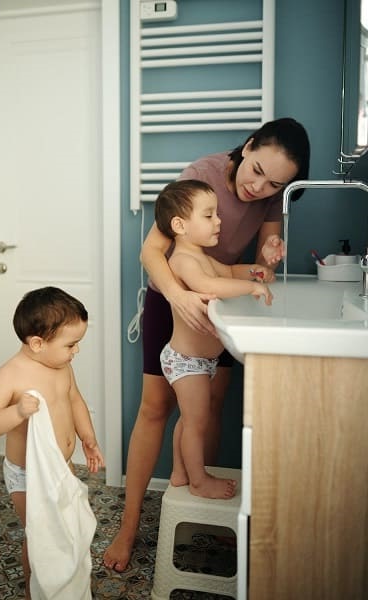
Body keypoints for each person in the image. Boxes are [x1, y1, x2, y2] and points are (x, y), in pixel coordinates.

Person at [103, 117, 310, 571]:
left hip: (220, 304)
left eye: (275, 183)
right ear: (248, 146)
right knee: (156, 408)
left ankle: (196, 508)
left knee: (210, 408)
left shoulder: (271, 194)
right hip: (175, 298)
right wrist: (179, 296)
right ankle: (129, 525)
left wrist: (269, 256)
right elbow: (151, 251)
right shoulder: (203, 174)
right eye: (256, 170)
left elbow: (261, 259)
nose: (259, 187)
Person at [0, 286, 105, 599]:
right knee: (40, 535)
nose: (75, 352)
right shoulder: (12, 374)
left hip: (59, 468)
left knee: (65, 526)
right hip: (27, 474)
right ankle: (37, 590)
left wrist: (88, 438)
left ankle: (66, 581)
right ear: (37, 343)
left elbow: (74, 400)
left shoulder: (61, 366)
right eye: (71, 344)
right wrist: (17, 411)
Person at [156, 179, 273, 499]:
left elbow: (230, 273)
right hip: (187, 361)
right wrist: (252, 289)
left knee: (188, 419)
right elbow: (212, 286)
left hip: (199, 361)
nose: (218, 220)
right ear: (179, 225)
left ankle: (180, 473)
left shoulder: (201, 255)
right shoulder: (183, 261)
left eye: (216, 214)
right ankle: (198, 480)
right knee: (196, 422)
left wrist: (254, 272)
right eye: (208, 215)